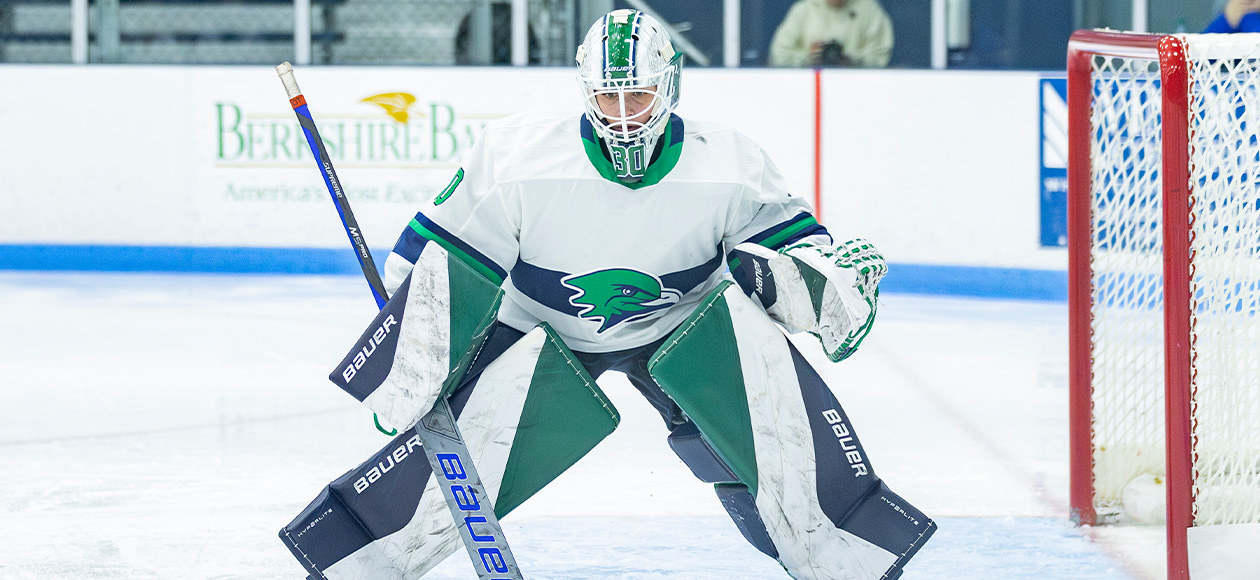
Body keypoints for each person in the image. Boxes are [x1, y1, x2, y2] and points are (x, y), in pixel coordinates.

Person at [280, 9, 934, 580]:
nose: (622, 116)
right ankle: (352, 556)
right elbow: (429, 261)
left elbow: (795, 255)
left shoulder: (730, 165)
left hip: (681, 327)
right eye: (608, 97)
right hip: (534, 323)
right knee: (461, 450)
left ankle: (841, 551)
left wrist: (828, 283)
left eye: (638, 96)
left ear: (670, 85)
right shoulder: (518, 159)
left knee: (761, 440)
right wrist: (410, 349)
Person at [769, 0, 894, 67]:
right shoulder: (803, 9)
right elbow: (778, 54)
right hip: (807, 88)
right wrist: (809, 59)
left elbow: (880, 54)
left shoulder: (870, 10)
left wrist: (850, 61)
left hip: (857, 89)